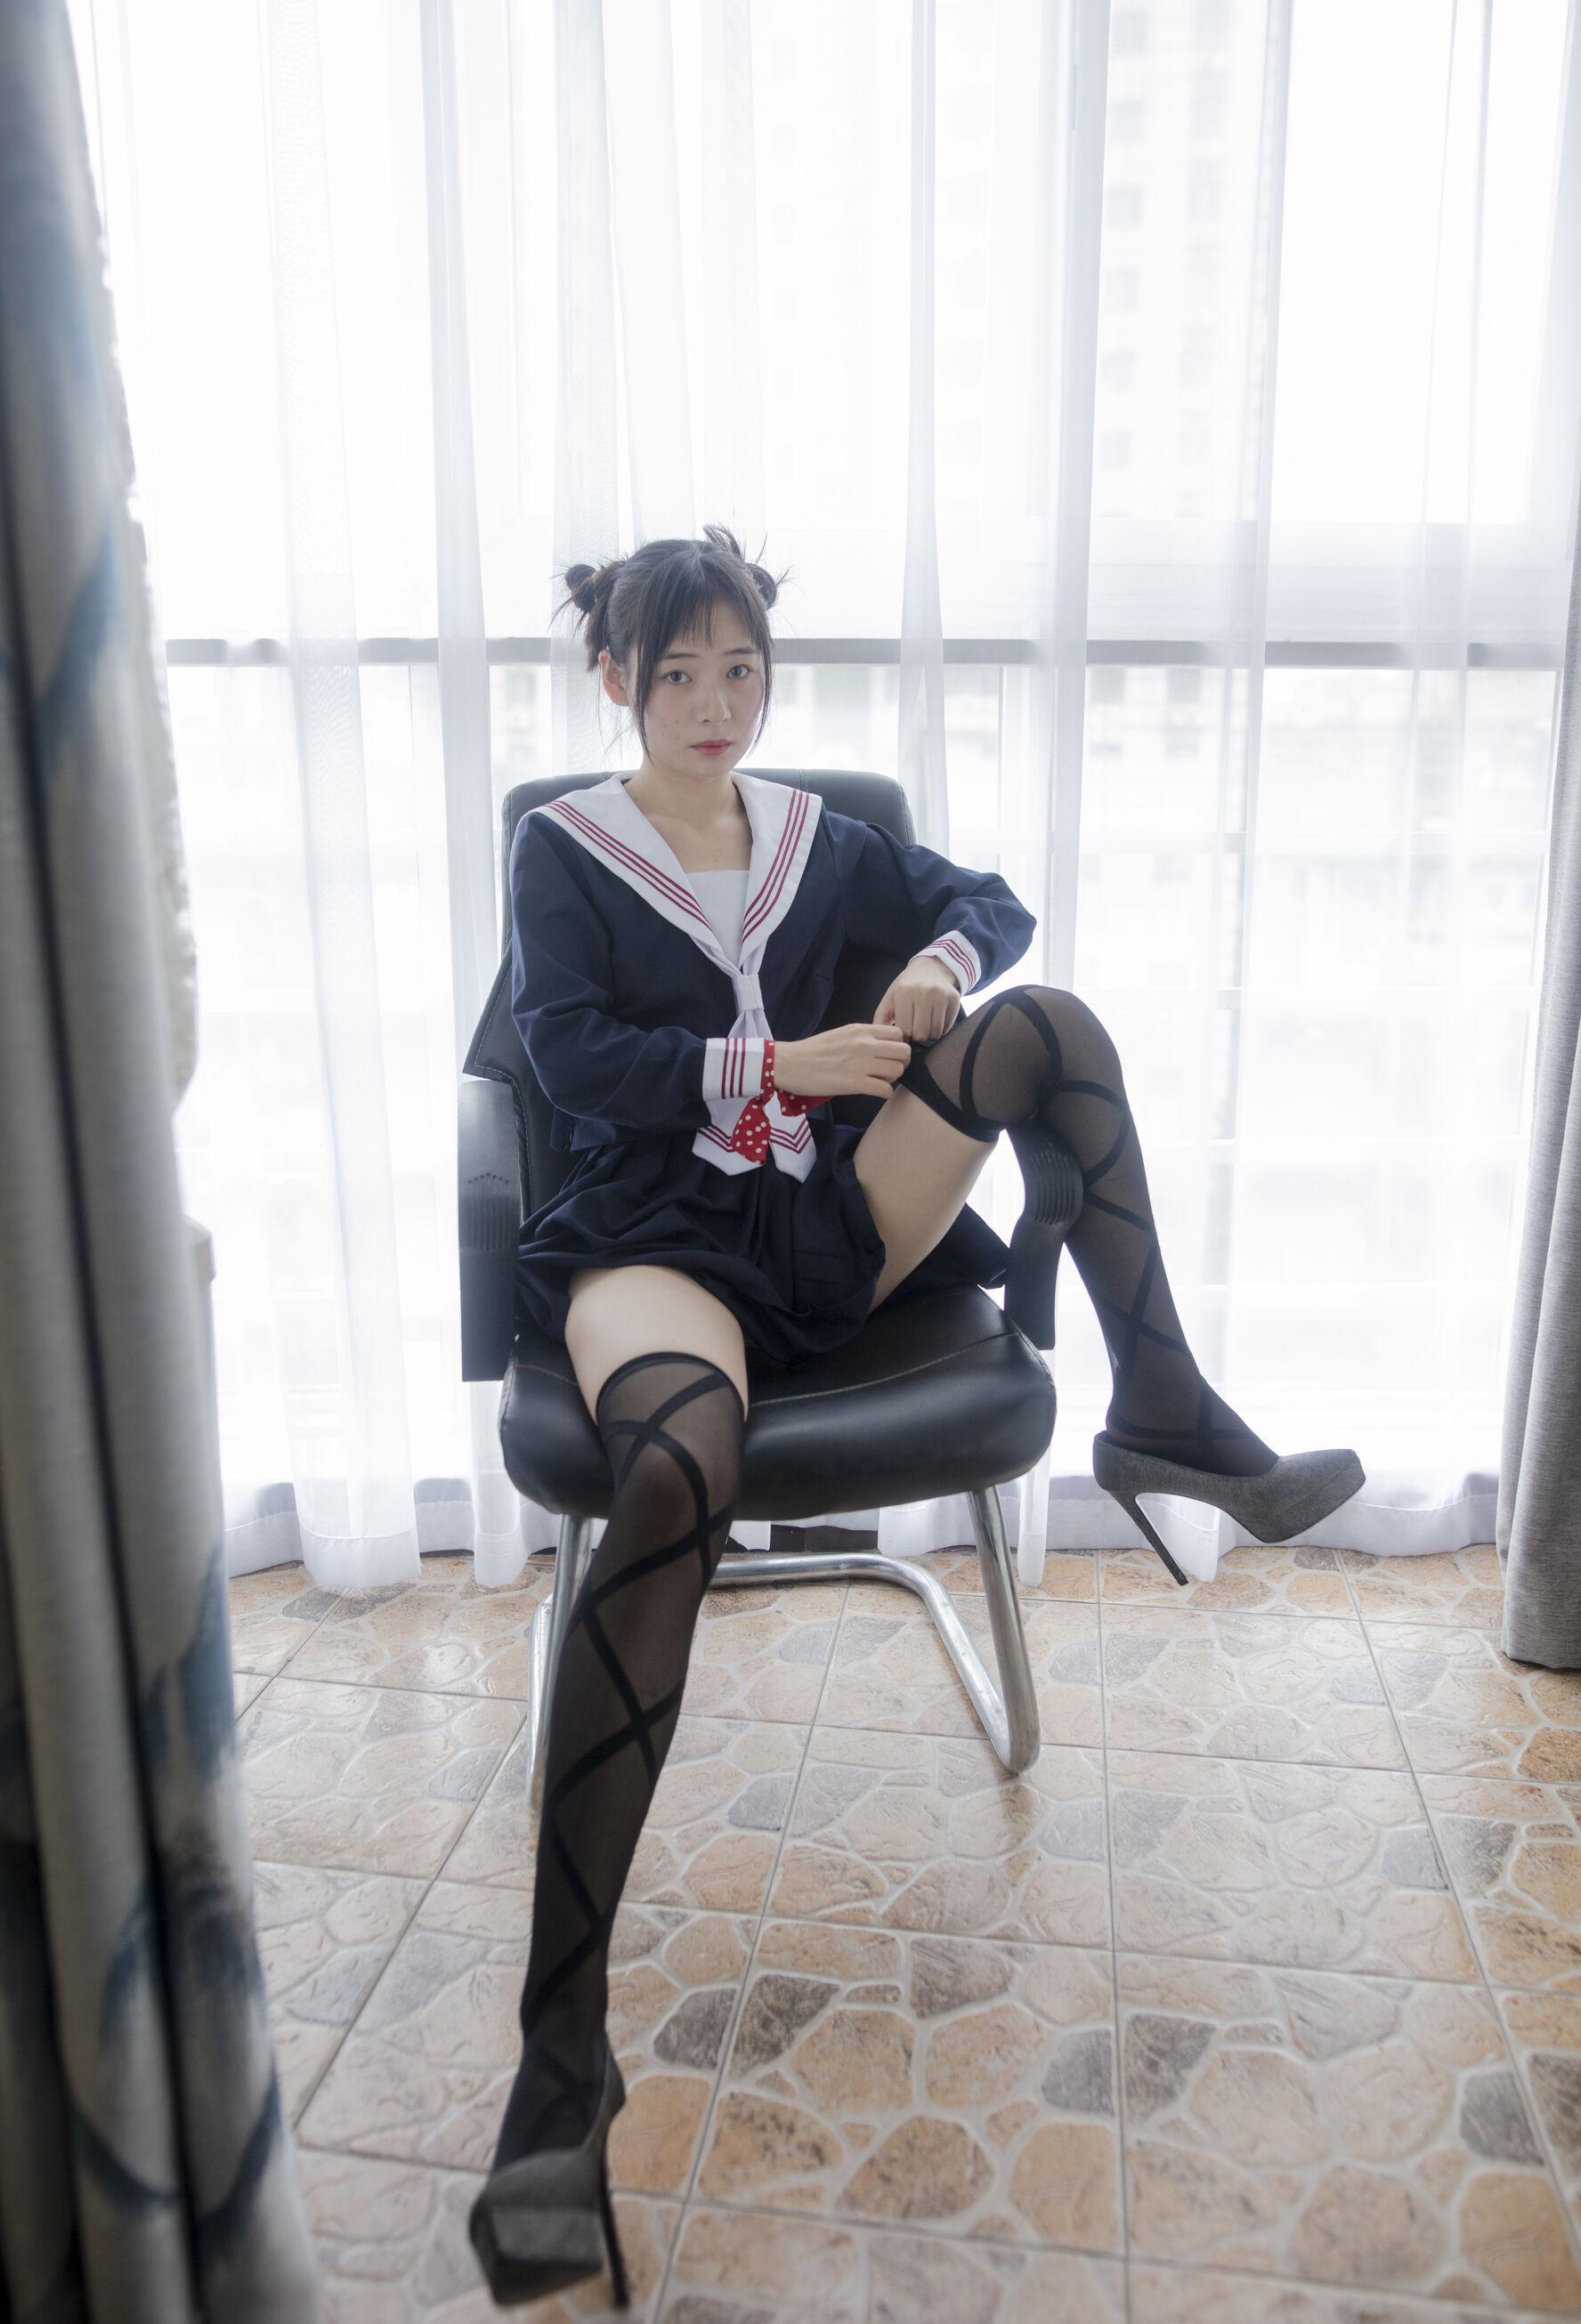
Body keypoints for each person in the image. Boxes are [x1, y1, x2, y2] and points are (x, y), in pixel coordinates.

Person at [467, 524, 1364, 2308]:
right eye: (678, 674)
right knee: (675, 1472)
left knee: (1048, 1028)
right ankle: (561, 2056)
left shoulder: (819, 839)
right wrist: (773, 1063)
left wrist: (939, 967)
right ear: (616, 682)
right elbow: (565, 1057)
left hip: (826, 1227)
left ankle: (1164, 1409)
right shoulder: (564, 848)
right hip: (651, 1236)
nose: (716, 705)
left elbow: (992, 901)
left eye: (741, 669)